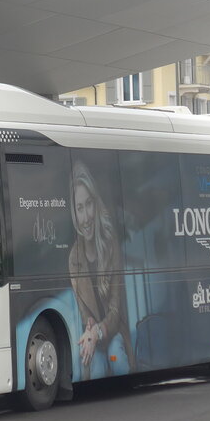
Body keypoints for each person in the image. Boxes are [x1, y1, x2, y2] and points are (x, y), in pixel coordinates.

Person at [68, 160, 136, 379]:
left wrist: (96, 332)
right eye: (79, 208)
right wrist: (90, 333)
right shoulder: (74, 259)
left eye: (88, 204)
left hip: (113, 332)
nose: (86, 217)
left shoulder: (110, 243)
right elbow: (85, 313)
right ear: (74, 213)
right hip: (94, 335)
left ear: (95, 205)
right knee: (93, 365)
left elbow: (116, 313)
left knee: (117, 356)